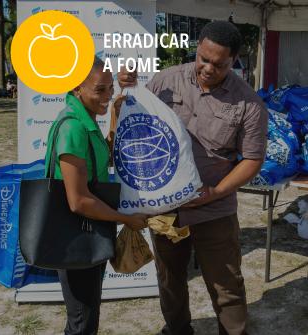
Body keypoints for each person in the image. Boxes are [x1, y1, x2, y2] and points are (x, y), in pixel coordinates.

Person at [118, 21, 268, 335]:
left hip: (214, 209)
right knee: (170, 279)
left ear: (234, 61)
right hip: (165, 208)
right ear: (197, 47)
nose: (208, 68)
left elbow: (252, 160)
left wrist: (214, 192)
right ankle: (177, 330)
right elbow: (137, 123)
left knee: (226, 284)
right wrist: (126, 92)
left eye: (219, 63)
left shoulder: (249, 103)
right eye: (203, 58)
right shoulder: (166, 80)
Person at [45, 57, 148, 335]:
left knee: (85, 316)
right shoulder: (74, 128)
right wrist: (125, 218)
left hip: (88, 232)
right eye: (99, 90)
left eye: (110, 88)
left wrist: (115, 112)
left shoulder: (85, 119)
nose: (107, 96)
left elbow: (108, 157)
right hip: (77, 237)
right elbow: (78, 201)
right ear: (78, 87)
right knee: (82, 322)